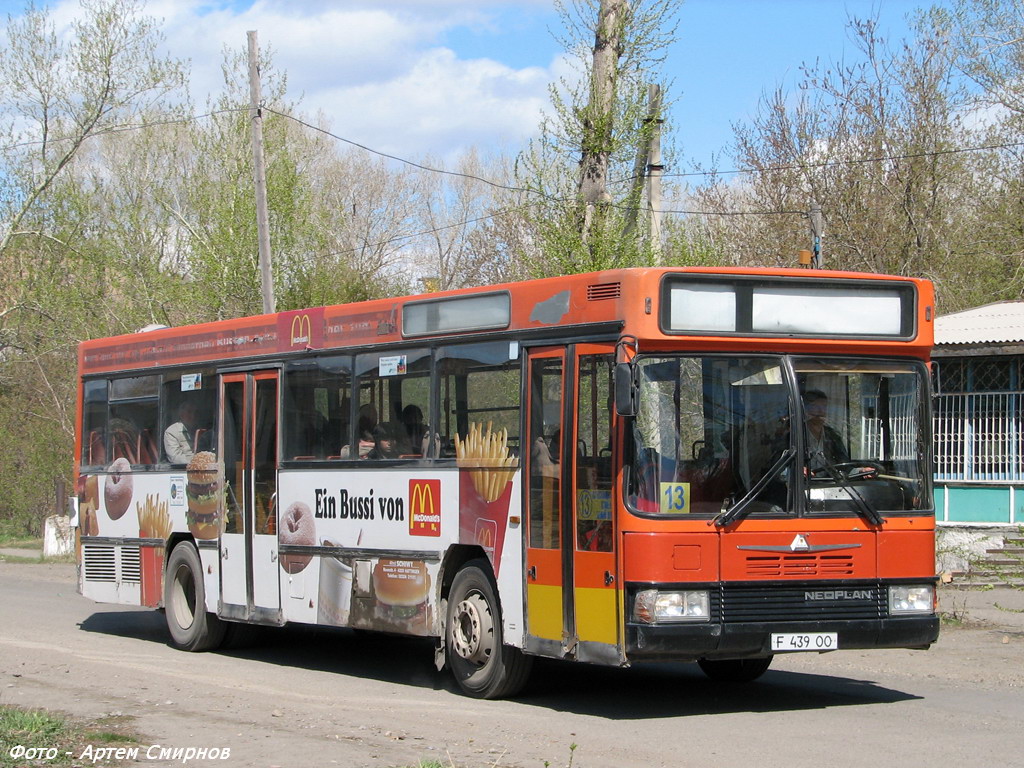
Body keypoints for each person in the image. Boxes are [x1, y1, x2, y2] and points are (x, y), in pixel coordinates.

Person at [803, 389, 849, 471]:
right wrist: (798, 470)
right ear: (806, 409)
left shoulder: (832, 436)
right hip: (803, 483)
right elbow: (781, 470)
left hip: (828, 482)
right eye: (815, 406)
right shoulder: (796, 435)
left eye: (824, 406)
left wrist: (860, 471)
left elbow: (845, 465)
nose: (821, 411)